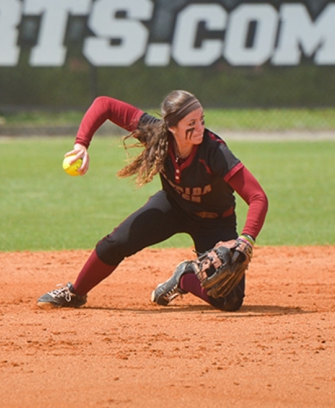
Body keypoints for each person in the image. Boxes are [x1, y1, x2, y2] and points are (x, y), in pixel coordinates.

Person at [37, 90, 268, 312]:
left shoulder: (214, 151)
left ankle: (185, 277)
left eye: (201, 120)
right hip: (172, 206)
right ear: (171, 127)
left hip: (215, 222)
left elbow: (258, 196)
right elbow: (104, 104)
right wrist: (81, 144)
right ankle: (75, 292)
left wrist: (246, 239)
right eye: (191, 124)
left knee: (230, 300)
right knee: (117, 241)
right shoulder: (156, 133)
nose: (200, 128)